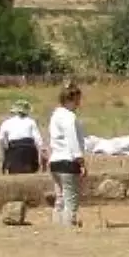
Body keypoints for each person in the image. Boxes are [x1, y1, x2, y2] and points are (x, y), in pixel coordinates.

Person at [47, 83, 86, 227]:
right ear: (70, 99)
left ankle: (57, 224)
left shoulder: (55, 115)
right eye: (77, 100)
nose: (78, 103)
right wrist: (80, 161)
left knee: (60, 198)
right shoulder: (69, 117)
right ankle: (69, 225)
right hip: (68, 161)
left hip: (55, 161)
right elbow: (73, 139)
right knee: (71, 199)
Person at [0, 100, 45, 175]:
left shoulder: (6, 122)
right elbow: (38, 141)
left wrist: (4, 155)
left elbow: (0, 139)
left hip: (14, 151)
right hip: (29, 151)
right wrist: (41, 156)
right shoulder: (31, 122)